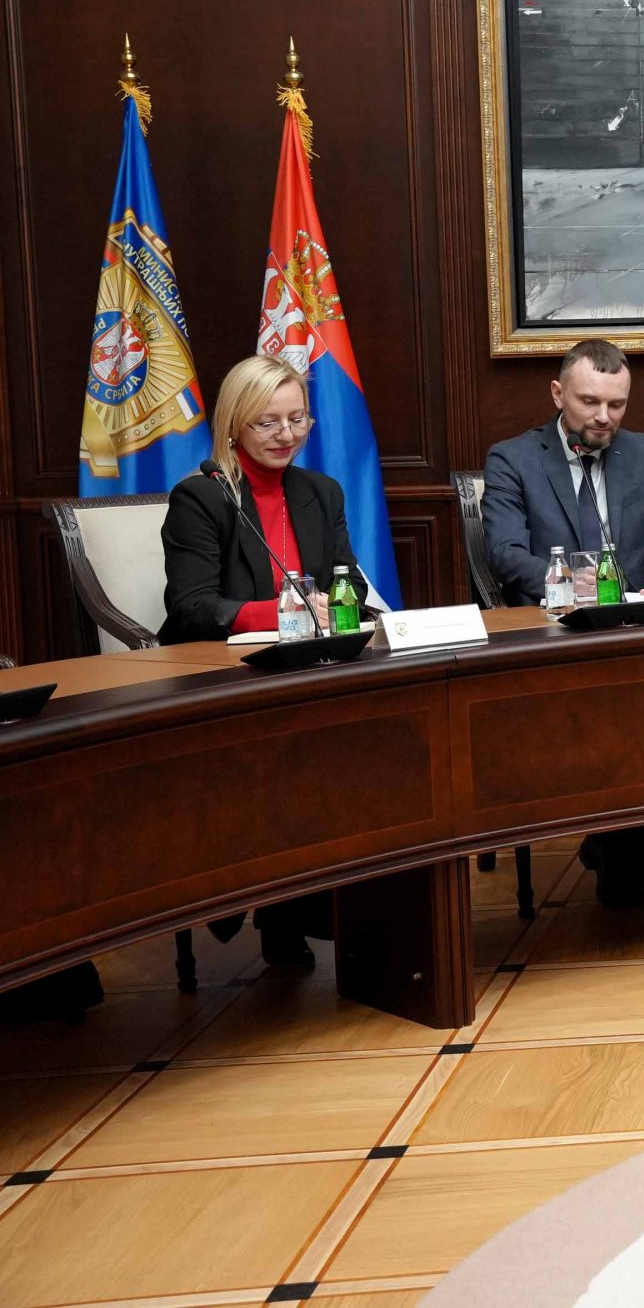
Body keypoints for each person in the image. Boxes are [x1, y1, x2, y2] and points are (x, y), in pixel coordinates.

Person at [482, 339, 644, 907]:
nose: (604, 417)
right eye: (590, 402)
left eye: (617, 404)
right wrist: (570, 583)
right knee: (608, 704)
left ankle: (621, 842)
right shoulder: (513, 459)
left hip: (639, 634)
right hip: (558, 635)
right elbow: (506, 555)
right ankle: (624, 844)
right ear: (558, 394)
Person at [161, 353, 362, 965]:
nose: (286, 435)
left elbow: (347, 580)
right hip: (225, 676)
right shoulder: (201, 496)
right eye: (268, 422)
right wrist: (284, 613)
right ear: (233, 425)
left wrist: (335, 603)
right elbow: (193, 606)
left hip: (309, 666)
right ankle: (281, 906)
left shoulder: (320, 491)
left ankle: (331, 902)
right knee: (288, 755)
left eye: (298, 419)